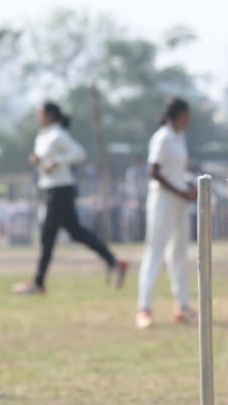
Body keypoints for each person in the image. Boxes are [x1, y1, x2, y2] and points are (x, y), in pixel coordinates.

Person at [12, 102, 127, 296]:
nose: (38, 117)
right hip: (51, 188)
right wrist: (39, 162)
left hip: (61, 189)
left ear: (50, 115)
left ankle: (39, 282)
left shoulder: (57, 134)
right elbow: (45, 162)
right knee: (76, 232)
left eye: (41, 113)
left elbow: (79, 153)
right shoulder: (43, 136)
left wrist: (57, 161)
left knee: (48, 234)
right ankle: (113, 261)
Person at [137, 97, 197, 329]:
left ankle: (182, 306)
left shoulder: (180, 137)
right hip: (162, 199)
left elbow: (177, 171)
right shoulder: (162, 137)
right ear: (178, 114)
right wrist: (178, 191)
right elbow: (154, 171)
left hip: (179, 200)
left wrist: (187, 188)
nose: (189, 119)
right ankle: (145, 308)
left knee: (179, 253)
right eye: (187, 114)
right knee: (155, 252)